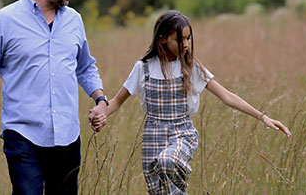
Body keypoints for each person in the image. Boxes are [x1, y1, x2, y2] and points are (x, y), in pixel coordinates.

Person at [89, 10, 291, 195]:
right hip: (152, 136)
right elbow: (116, 101)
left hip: (181, 133)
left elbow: (227, 96)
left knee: (168, 161)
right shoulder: (143, 68)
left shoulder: (191, 67)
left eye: (188, 38)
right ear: (162, 39)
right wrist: (101, 113)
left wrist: (263, 117)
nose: (186, 44)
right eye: (179, 39)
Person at [0, 0, 108, 195]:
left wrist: (100, 100)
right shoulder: (4, 21)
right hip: (23, 134)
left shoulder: (74, 20)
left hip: (67, 134)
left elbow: (85, 67)